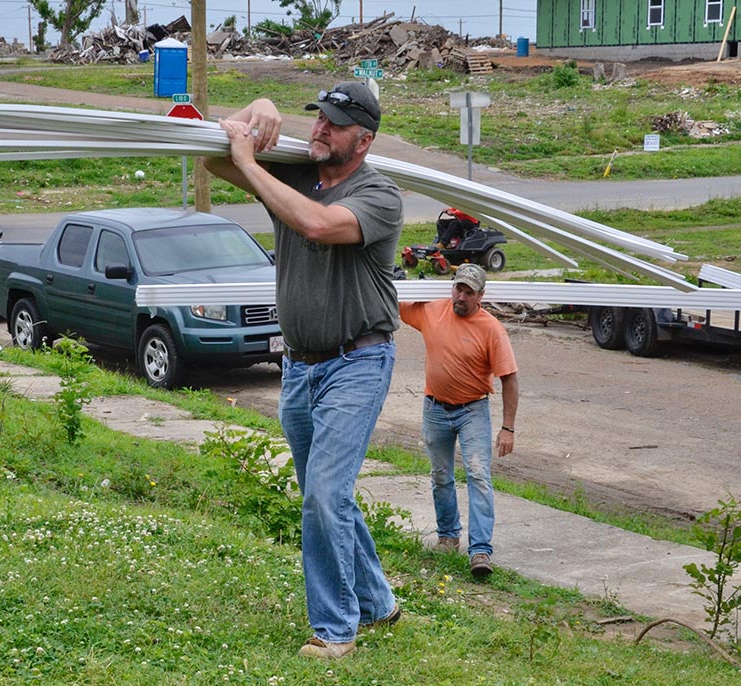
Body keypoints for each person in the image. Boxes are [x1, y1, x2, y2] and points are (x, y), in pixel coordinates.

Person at [201, 82, 404, 659]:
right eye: (317, 118)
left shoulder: (379, 195)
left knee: (323, 494)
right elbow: (209, 157)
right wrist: (256, 111)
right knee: (326, 495)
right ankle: (378, 602)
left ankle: (336, 631)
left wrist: (251, 161)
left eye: (335, 124)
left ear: (363, 140)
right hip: (298, 367)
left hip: (357, 361)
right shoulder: (294, 175)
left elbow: (317, 225)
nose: (318, 128)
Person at [398, 263, 518, 579]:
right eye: (458, 289)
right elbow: (396, 304)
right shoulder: (433, 311)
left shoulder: (491, 329)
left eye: (468, 292)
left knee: (478, 474)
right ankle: (448, 536)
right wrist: (395, 281)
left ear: (481, 296)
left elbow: (509, 378)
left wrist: (508, 427)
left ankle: (480, 550)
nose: (461, 297)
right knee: (440, 475)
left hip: (472, 411)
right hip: (435, 407)